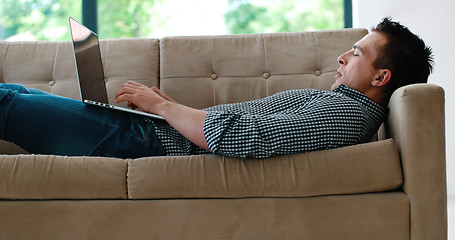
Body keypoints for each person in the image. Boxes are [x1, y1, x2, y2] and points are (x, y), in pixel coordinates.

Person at [0, 17, 433, 159]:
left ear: (382, 77)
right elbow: (238, 124)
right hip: (151, 132)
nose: (342, 57)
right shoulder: (337, 102)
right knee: (15, 93)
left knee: (6, 103)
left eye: (356, 53)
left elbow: (238, 137)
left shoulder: (348, 114)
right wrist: (166, 105)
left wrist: (161, 109)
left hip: (145, 144)